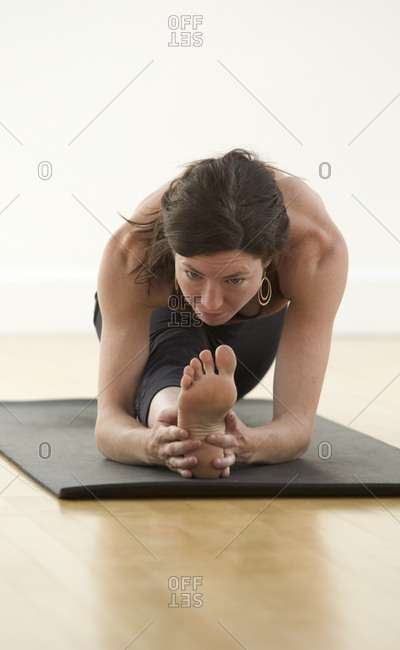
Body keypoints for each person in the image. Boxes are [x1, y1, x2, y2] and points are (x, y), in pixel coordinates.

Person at [93, 148, 348, 479]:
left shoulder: (314, 249)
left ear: (269, 258)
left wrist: (249, 443)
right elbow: (109, 421)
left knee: (205, 366)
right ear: (173, 253)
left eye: (234, 279)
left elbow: (296, 427)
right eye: (193, 274)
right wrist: (153, 445)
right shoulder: (132, 252)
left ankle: (193, 416)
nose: (210, 303)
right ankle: (173, 417)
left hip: (252, 340)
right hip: (166, 317)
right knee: (174, 346)